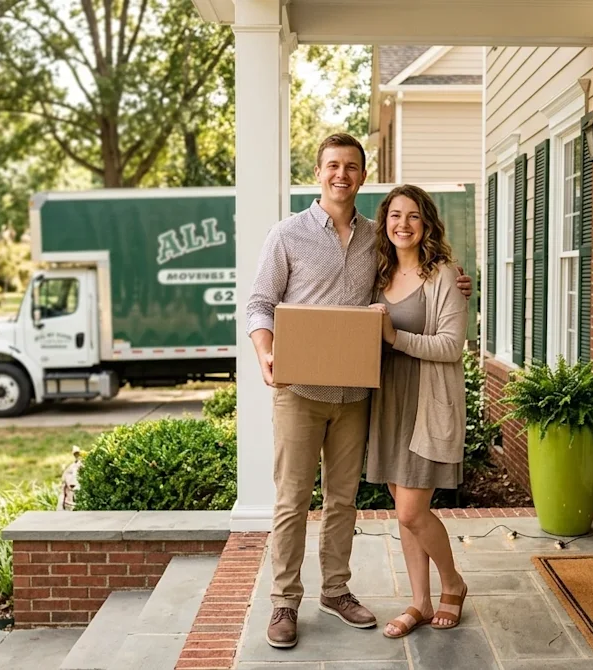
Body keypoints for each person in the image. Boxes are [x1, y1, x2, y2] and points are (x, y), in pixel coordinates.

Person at [246, 134, 471, 649]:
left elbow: (423, 278)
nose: (341, 174)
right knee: (291, 501)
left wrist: (461, 284)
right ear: (318, 172)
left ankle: (336, 591)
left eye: (351, 166)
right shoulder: (287, 235)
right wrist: (266, 352)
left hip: (357, 395)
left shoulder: (379, 238)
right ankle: (284, 601)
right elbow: (260, 303)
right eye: (332, 165)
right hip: (300, 389)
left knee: (343, 500)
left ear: (363, 177)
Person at [366, 185, 469, 638]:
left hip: (426, 403)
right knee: (401, 511)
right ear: (384, 223)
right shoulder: (376, 274)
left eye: (412, 216)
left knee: (411, 512)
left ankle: (453, 584)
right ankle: (420, 602)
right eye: (394, 216)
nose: (402, 225)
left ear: (426, 224)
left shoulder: (443, 276)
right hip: (386, 403)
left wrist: (394, 337)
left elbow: (451, 346)